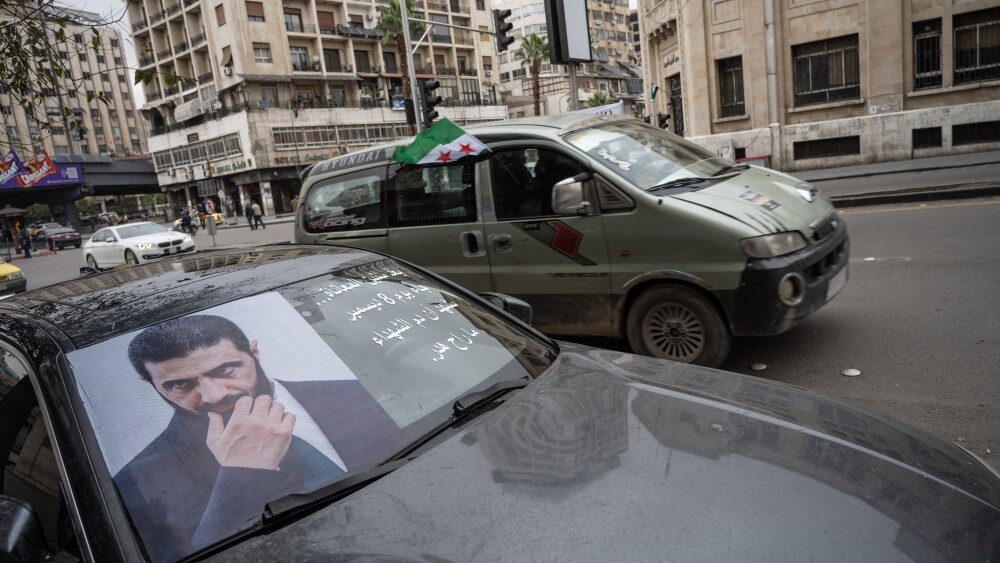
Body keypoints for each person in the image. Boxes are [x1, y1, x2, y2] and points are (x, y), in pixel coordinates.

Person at [116, 315, 406, 561]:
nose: (214, 395)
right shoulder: (136, 484)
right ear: (150, 383)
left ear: (254, 353)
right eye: (180, 384)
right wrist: (240, 472)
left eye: (225, 370)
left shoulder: (354, 393)